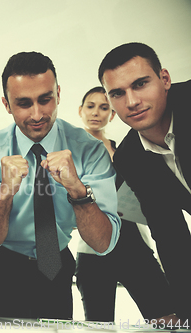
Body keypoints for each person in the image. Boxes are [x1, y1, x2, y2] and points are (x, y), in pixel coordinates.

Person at [0, 51, 121, 319]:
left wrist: (77, 190)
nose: (37, 114)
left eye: (45, 100)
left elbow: (103, 243)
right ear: (7, 104)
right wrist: (5, 193)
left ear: (58, 94)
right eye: (24, 103)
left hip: (57, 268)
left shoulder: (90, 151)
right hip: (3, 269)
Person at [99, 42, 191, 323]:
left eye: (140, 84)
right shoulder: (128, 158)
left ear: (165, 79)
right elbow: (169, 233)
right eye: (118, 93)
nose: (131, 101)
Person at [75, 86, 174, 322]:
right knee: (99, 324)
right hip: (94, 248)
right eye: (90, 106)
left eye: (104, 107)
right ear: (80, 111)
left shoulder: (125, 151)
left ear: (112, 114)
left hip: (133, 241)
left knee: (167, 316)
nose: (96, 112)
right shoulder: (69, 154)